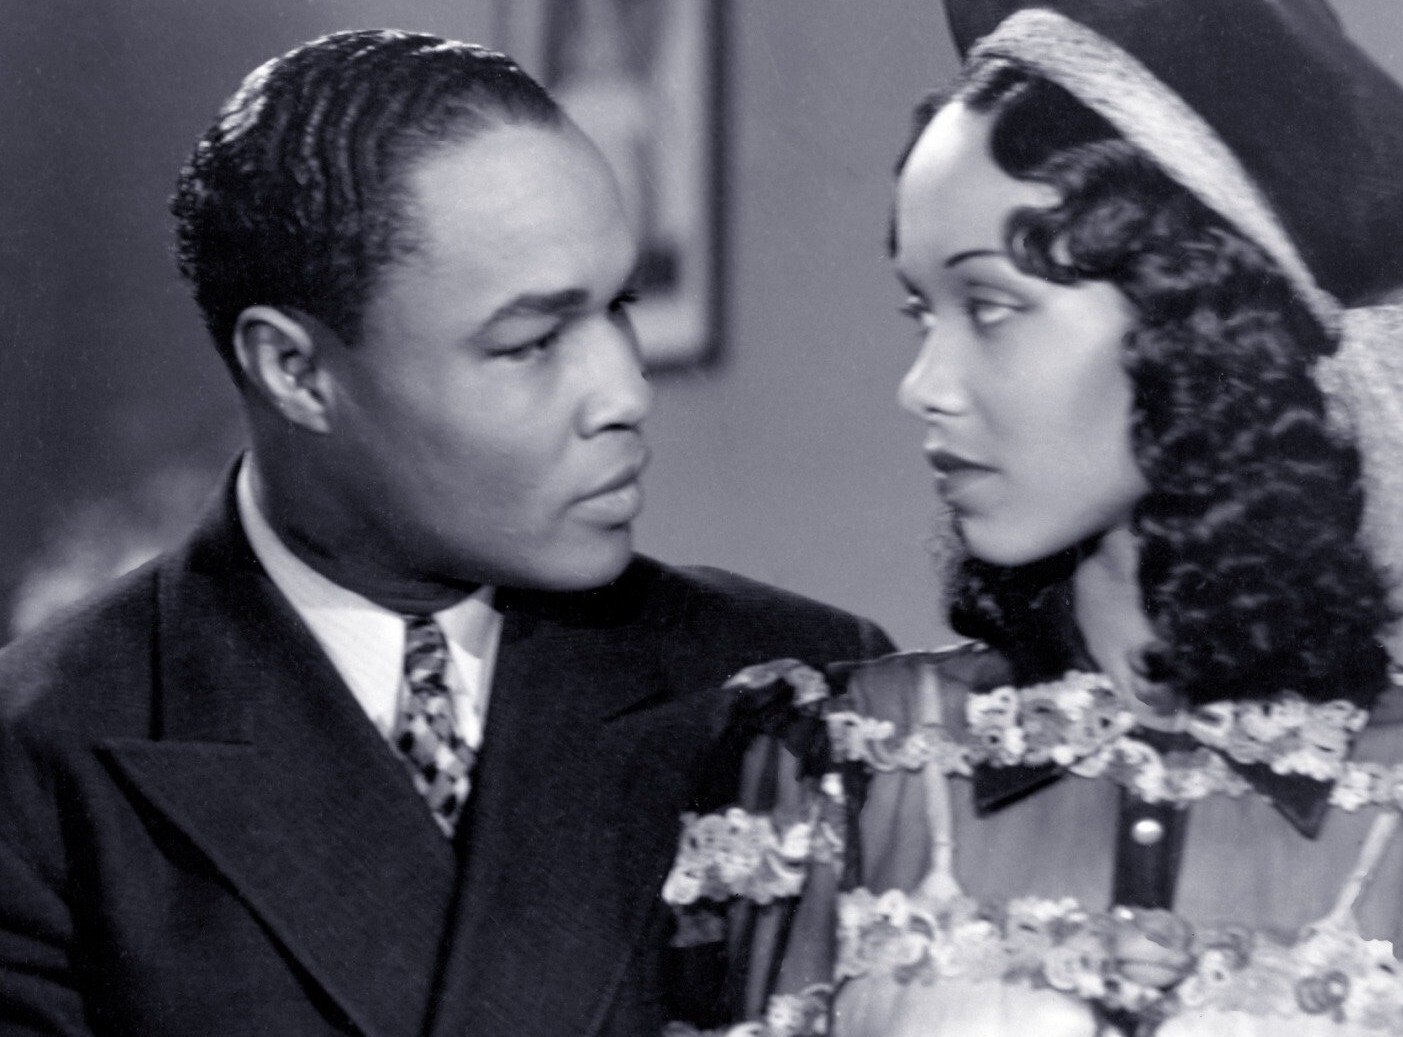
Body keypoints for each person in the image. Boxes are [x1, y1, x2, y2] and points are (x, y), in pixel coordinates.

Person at [663, 2, 1403, 1035]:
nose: (924, 385)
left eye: (989, 307)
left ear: (1193, 324)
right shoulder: (830, 769)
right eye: (918, 311)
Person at [0, 29, 890, 1037]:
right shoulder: (41, 760)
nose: (625, 392)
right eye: (532, 342)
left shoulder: (794, 686)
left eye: (620, 306)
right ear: (296, 371)